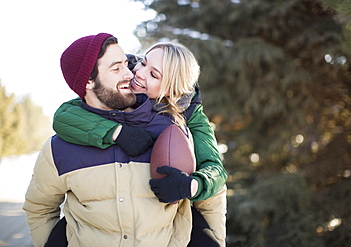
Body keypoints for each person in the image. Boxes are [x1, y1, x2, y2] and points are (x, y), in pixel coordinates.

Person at [23, 33, 194, 247]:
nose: (130, 73)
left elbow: (192, 205)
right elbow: (39, 208)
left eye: (126, 64)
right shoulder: (58, 148)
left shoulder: (171, 130)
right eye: (116, 68)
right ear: (88, 81)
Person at [52, 42, 228, 246]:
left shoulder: (190, 115)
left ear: (171, 89)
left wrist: (190, 185)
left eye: (154, 75)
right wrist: (117, 133)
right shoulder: (122, 81)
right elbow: (65, 115)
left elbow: (215, 169)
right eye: (143, 62)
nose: (139, 73)